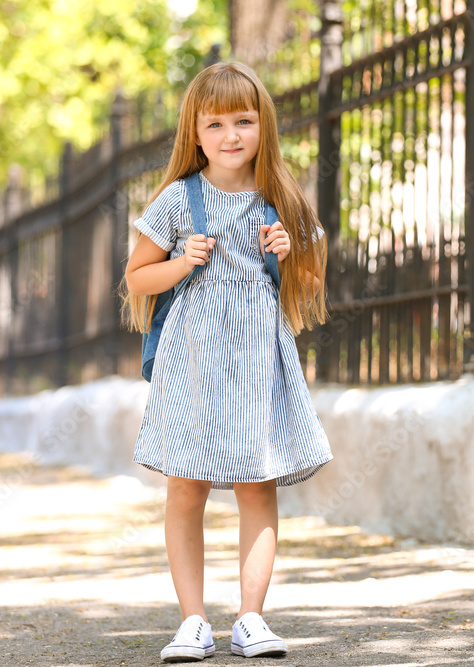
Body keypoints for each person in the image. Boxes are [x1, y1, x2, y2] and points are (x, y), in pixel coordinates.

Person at [121, 61, 332, 663]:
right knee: (185, 487)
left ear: (263, 125)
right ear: (195, 133)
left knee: (256, 485)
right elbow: (137, 277)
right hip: (193, 365)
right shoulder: (177, 200)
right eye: (216, 123)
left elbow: (312, 280)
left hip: (257, 364)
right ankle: (192, 621)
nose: (231, 135)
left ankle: (250, 618)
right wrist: (182, 262)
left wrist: (292, 255)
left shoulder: (283, 199)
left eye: (244, 120)